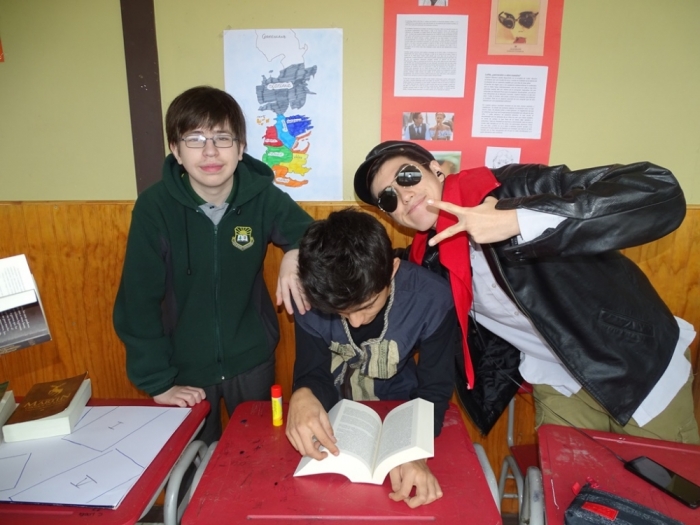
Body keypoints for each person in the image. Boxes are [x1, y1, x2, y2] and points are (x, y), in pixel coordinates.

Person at [352, 140, 699, 444]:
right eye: (388, 198)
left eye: (407, 176)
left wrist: (518, 219)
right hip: (558, 380)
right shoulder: (428, 258)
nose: (404, 195)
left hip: (637, 367)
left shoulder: (513, 188)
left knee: (659, 491)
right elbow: (373, 272)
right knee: (570, 489)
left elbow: (659, 191)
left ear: (436, 170)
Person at [113, 86, 313, 445]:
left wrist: (295, 253)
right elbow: (138, 301)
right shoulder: (154, 208)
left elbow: (314, 235)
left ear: (241, 147)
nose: (210, 151)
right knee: (193, 465)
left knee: (258, 454)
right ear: (175, 150)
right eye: (195, 139)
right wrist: (158, 382)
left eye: (222, 138)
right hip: (183, 370)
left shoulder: (262, 196)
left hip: (252, 360)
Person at [286, 209, 457, 508]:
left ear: (392, 269)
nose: (355, 322)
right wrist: (303, 393)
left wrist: (414, 451)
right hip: (336, 417)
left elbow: (434, 390)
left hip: (404, 409)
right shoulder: (313, 295)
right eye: (341, 312)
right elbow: (313, 372)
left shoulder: (433, 299)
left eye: (366, 305)